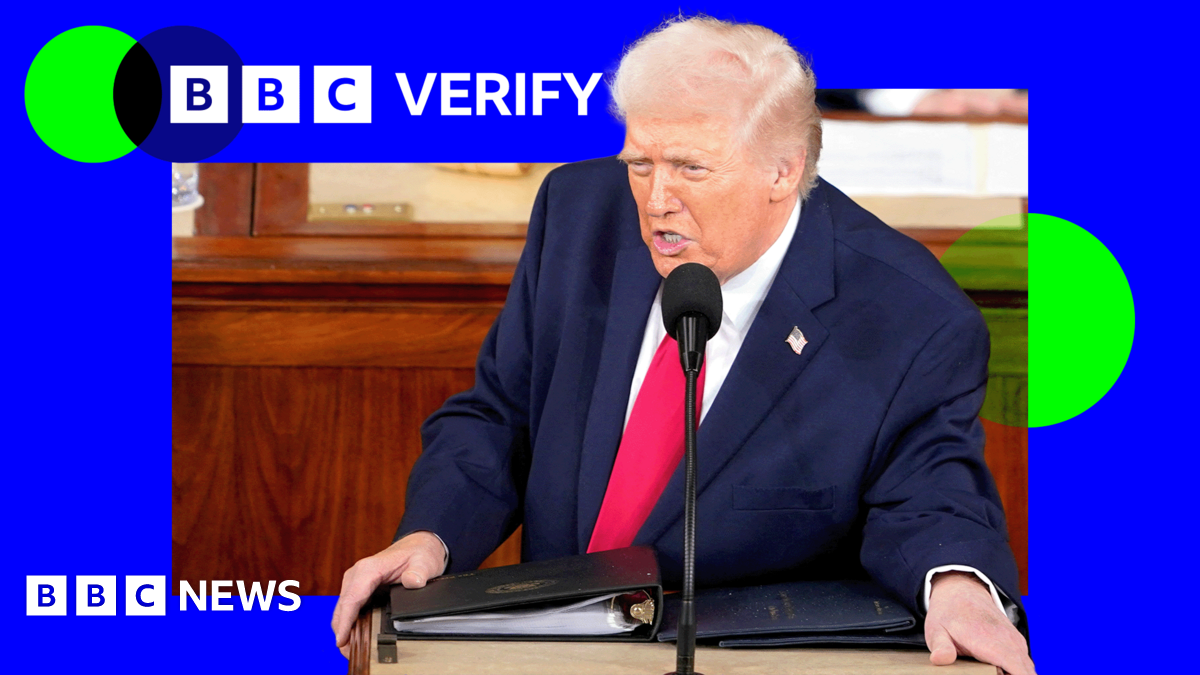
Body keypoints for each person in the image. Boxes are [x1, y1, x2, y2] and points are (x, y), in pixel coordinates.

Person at [333, 16, 1034, 675]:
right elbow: (501, 413)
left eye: (690, 168)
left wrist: (960, 588)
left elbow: (930, 492)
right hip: (549, 645)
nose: (655, 200)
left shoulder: (907, 314)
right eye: (640, 162)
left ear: (783, 171)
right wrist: (431, 535)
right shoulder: (579, 213)